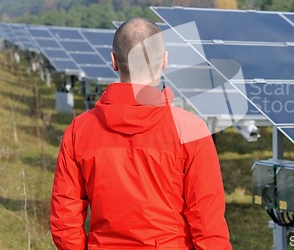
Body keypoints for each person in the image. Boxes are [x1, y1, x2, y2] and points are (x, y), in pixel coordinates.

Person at [50, 18, 232, 250]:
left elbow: (65, 218)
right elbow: (209, 226)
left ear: (114, 61)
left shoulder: (79, 130)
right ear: (165, 60)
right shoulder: (191, 130)